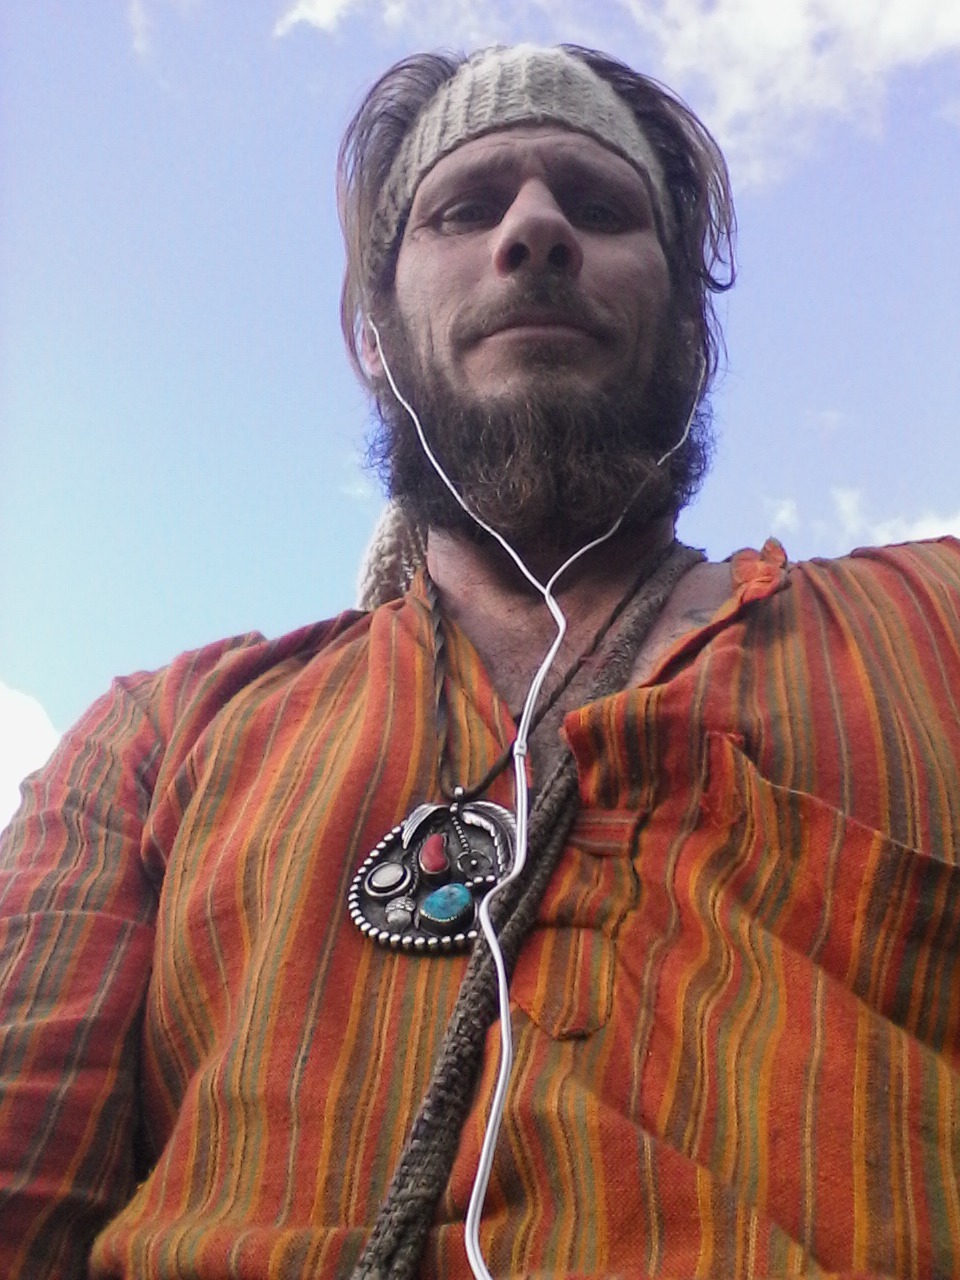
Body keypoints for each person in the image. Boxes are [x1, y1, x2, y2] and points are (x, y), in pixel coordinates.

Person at [2, 41, 959, 1280]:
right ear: (375, 336)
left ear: (689, 322)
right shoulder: (163, 734)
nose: (535, 230)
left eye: (599, 205)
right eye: (465, 208)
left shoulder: (931, 625)